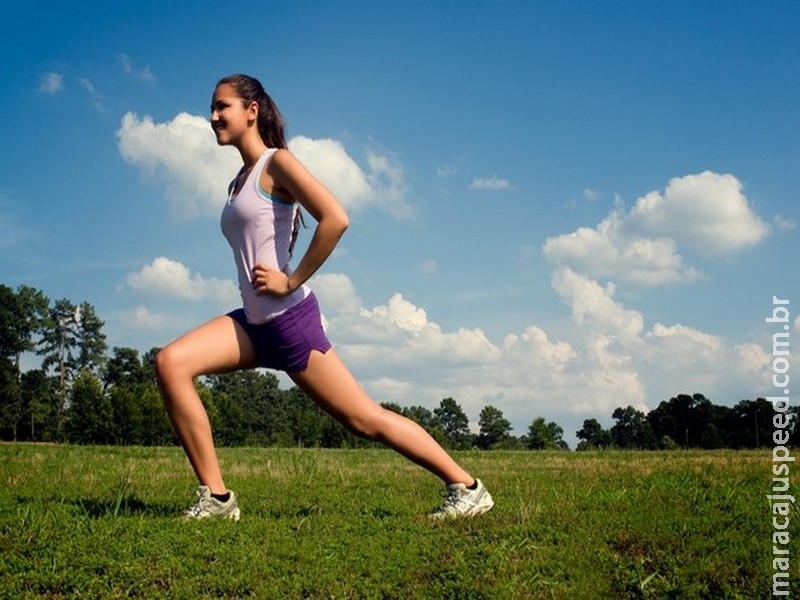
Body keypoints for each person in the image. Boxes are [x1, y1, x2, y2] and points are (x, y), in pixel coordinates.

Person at [155, 73, 494, 521]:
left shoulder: (278, 164)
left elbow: (335, 217)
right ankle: (217, 499)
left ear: (251, 111)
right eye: (212, 108)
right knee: (171, 363)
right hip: (254, 324)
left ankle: (467, 487)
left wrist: (290, 280)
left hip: (290, 321)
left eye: (223, 107)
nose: (213, 115)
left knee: (363, 420)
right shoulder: (238, 181)